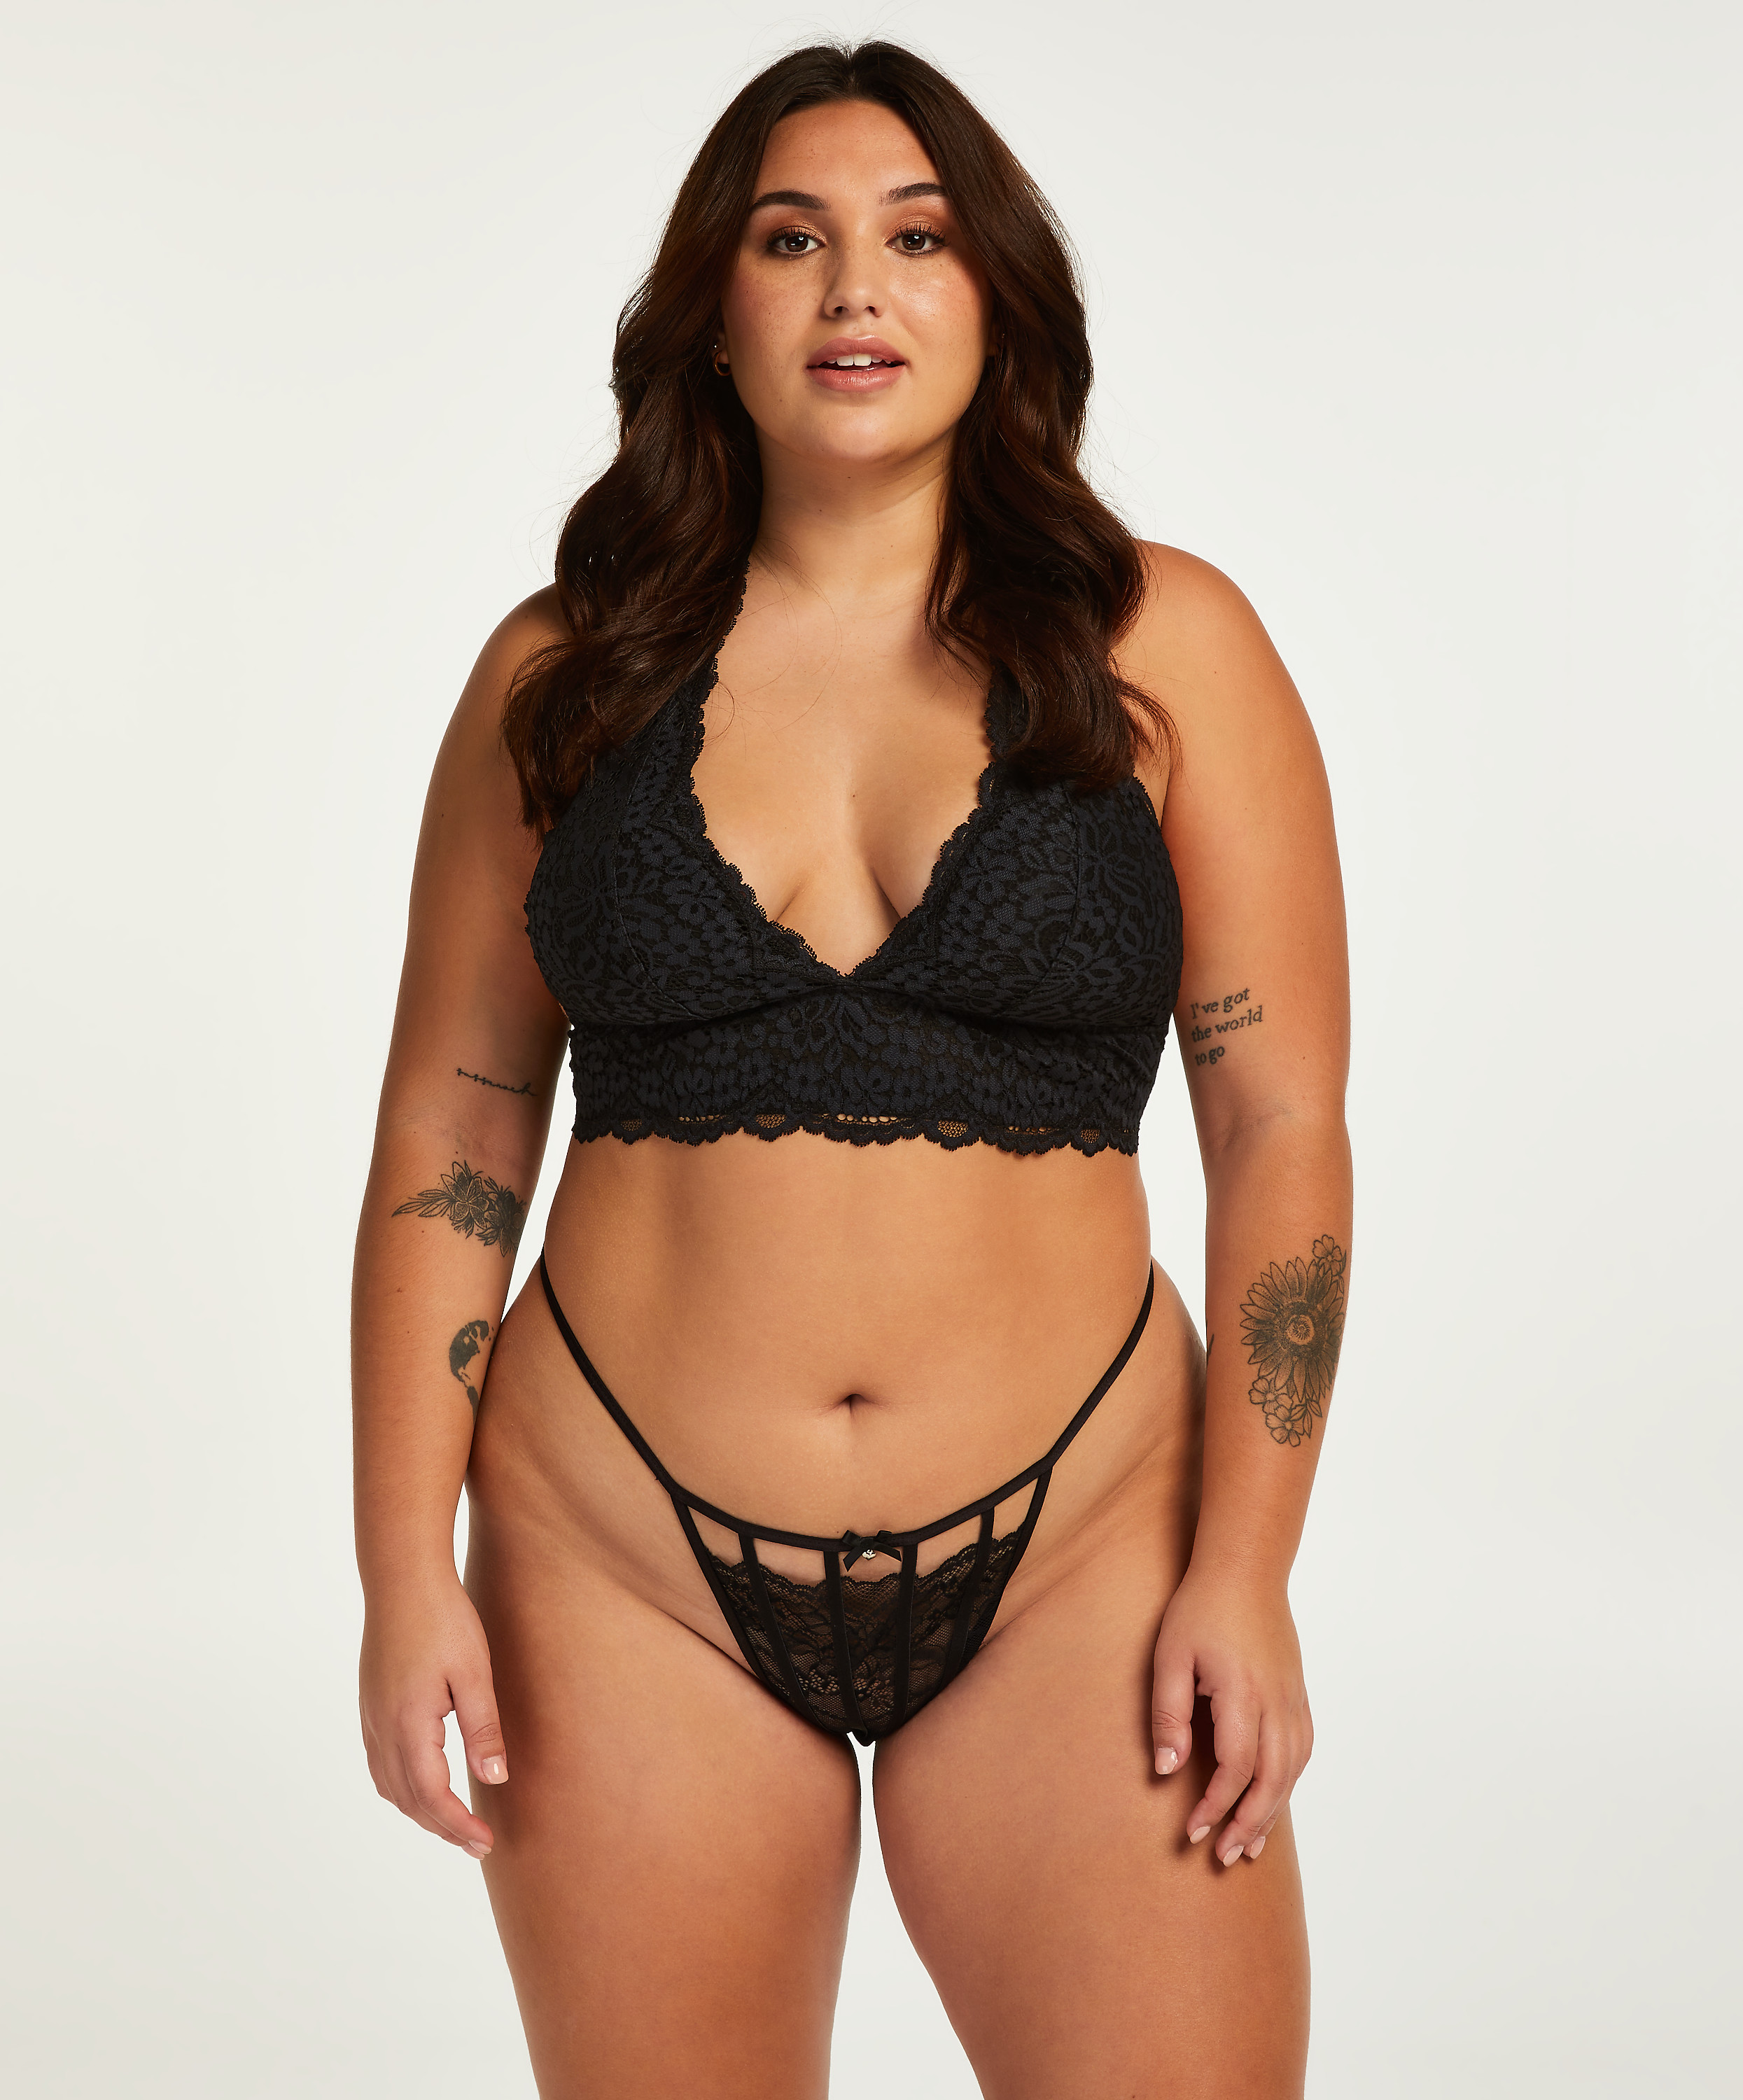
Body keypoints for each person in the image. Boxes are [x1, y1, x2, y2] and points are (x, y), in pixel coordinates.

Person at [352, 40, 1350, 2099]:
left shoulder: (1167, 650)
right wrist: (397, 1574)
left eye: (918, 238)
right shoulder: (562, 676)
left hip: (1085, 1543)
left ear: (998, 300)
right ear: (710, 311)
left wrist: (1246, 1572)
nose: (855, 289)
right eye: (790, 240)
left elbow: (1277, 1127)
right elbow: (453, 1133)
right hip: (617, 1559)